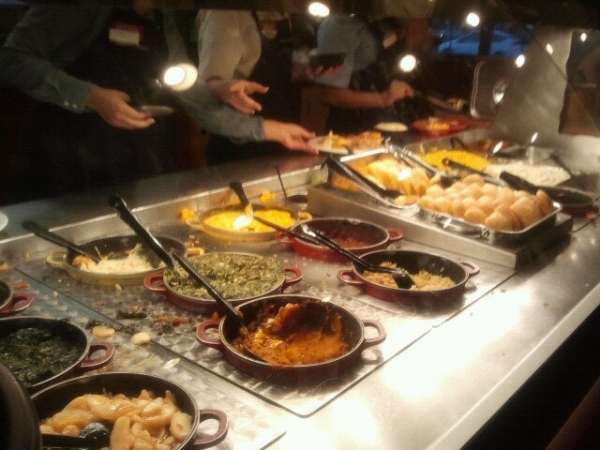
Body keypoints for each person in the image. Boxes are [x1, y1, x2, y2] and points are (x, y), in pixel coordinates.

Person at [0, 1, 317, 203]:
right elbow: (12, 58)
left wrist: (268, 129)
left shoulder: (162, 17)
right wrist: (91, 97)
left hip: (137, 159)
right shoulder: (81, 5)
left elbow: (187, 90)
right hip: (65, 158)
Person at [196, 9, 333, 165]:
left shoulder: (276, 13)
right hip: (241, 146)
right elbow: (208, 86)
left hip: (283, 136)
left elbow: (273, 75)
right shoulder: (225, 13)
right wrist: (220, 87)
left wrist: (306, 71)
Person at [313, 10, 434, 134]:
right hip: (353, 131)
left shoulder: (393, 22)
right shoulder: (340, 25)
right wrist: (384, 98)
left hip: (397, 124)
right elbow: (330, 95)